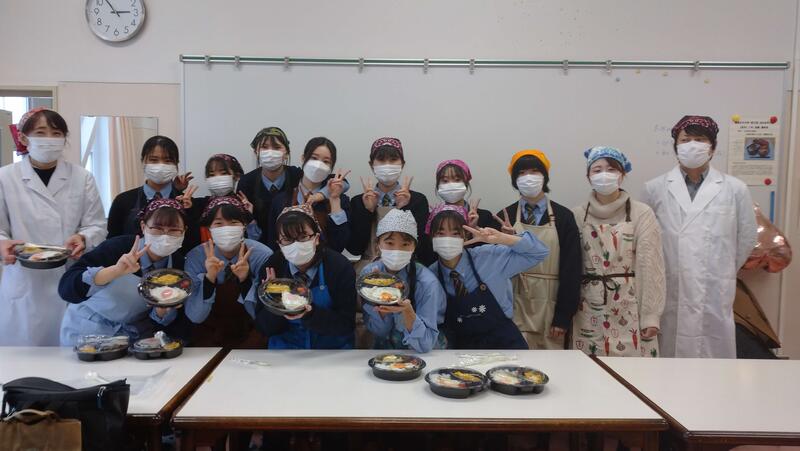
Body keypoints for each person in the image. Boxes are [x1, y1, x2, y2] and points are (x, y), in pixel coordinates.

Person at [643, 116, 757, 358]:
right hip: (670, 285)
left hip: (714, 287)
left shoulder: (735, 189)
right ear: (675, 147)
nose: (692, 145)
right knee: (667, 363)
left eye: (700, 139)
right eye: (685, 140)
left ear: (712, 147)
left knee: (713, 362)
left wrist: (721, 269)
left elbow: (746, 238)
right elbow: (646, 241)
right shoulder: (654, 188)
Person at [0, 108, 106, 345]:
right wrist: (3, 244)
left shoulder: (82, 178)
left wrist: (83, 238)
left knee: (68, 353)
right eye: (40, 132)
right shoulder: (5, 178)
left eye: (56, 133)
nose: (49, 139)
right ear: (23, 138)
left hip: (68, 275)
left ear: (64, 138)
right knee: (24, 357)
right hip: (25, 282)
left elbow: (97, 225)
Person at [572, 147, 665, 357]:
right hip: (587, 307)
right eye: (597, 170)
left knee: (633, 372)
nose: (604, 175)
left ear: (622, 175)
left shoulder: (642, 213)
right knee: (588, 368)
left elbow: (651, 265)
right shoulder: (577, 215)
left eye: (611, 169)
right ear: (588, 176)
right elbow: (570, 266)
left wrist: (651, 315)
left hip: (630, 304)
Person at [58, 198, 188, 346]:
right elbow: (66, 288)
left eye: (173, 230)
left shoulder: (178, 266)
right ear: (143, 226)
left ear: (184, 231)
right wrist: (115, 270)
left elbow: (158, 321)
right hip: (86, 331)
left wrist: (161, 310)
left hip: (130, 339)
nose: (165, 236)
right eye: (157, 228)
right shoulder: (117, 247)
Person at [427, 204, 549, 349]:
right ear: (431, 236)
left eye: (455, 233)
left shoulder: (489, 257)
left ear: (465, 235)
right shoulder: (430, 276)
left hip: (505, 345)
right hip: (462, 351)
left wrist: (504, 238)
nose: (448, 239)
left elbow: (539, 253)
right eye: (440, 233)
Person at [496, 150, 582, 349]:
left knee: (549, 360)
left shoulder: (564, 217)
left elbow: (572, 268)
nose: (528, 178)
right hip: (514, 301)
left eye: (534, 171)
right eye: (522, 173)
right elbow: (495, 267)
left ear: (545, 176)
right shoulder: (505, 215)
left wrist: (563, 316)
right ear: (514, 180)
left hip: (551, 302)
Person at [249, 204, 356, 349]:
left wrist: (310, 314)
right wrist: (274, 303)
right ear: (279, 244)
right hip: (286, 350)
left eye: (303, 237)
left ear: (316, 238)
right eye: (287, 239)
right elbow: (264, 328)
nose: (296, 245)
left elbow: (346, 324)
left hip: (331, 349)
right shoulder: (273, 266)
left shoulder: (338, 267)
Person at [184, 196, 272, 348]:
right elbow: (195, 316)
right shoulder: (196, 257)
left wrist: (245, 280)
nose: (226, 228)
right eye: (219, 223)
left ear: (244, 225)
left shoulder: (262, 255)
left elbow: (262, 316)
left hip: (253, 334)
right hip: (208, 336)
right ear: (209, 227)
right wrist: (210, 278)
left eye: (233, 223)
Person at [236, 127, 347, 246]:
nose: (270, 152)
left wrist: (320, 196)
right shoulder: (247, 182)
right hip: (267, 243)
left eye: (277, 147)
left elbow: (342, 182)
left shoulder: (296, 174)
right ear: (256, 151)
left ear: (286, 152)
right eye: (264, 147)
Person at [361, 209, 446, 353]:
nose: (397, 250)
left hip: (423, 352)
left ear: (414, 247)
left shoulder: (426, 283)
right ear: (378, 245)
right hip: (385, 352)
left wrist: (407, 312)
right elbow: (379, 331)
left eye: (405, 244)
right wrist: (381, 304)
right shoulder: (369, 275)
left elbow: (425, 345)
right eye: (390, 243)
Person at [348, 137, 433, 269]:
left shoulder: (418, 200)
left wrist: (404, 209)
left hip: (406, 268)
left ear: (402, 164)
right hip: (368, 269)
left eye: (393, 159)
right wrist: (367, 212)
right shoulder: (359, 201)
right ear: (371, 165)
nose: (387, 165)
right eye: (381, 160)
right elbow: (355, 248)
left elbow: (423, 248)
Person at [267, 137, 351, 252]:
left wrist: (334, 200)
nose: (318, 165)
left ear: (331, 167)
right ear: (303, 158)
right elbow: (273, 242)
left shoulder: (340, 201)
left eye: (326, 161)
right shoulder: (281, 200)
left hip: (326, 261)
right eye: (314, 158)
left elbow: (339, 244)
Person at [106, 135, 194, 238]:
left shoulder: (186, 202)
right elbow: (112, 240)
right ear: (143, 161)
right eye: (154, 160)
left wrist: (187, 209)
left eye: (168, 160)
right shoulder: (122, 201)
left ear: (176, 164)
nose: (160, 165)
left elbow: (192, 240)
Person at [433, 159, 498, 229]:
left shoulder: (484, 216)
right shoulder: (432, 217)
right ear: (438, 185)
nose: (451, 185)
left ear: (466, 183)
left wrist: (474, 228)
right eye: (445, 180)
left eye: (457, 180)